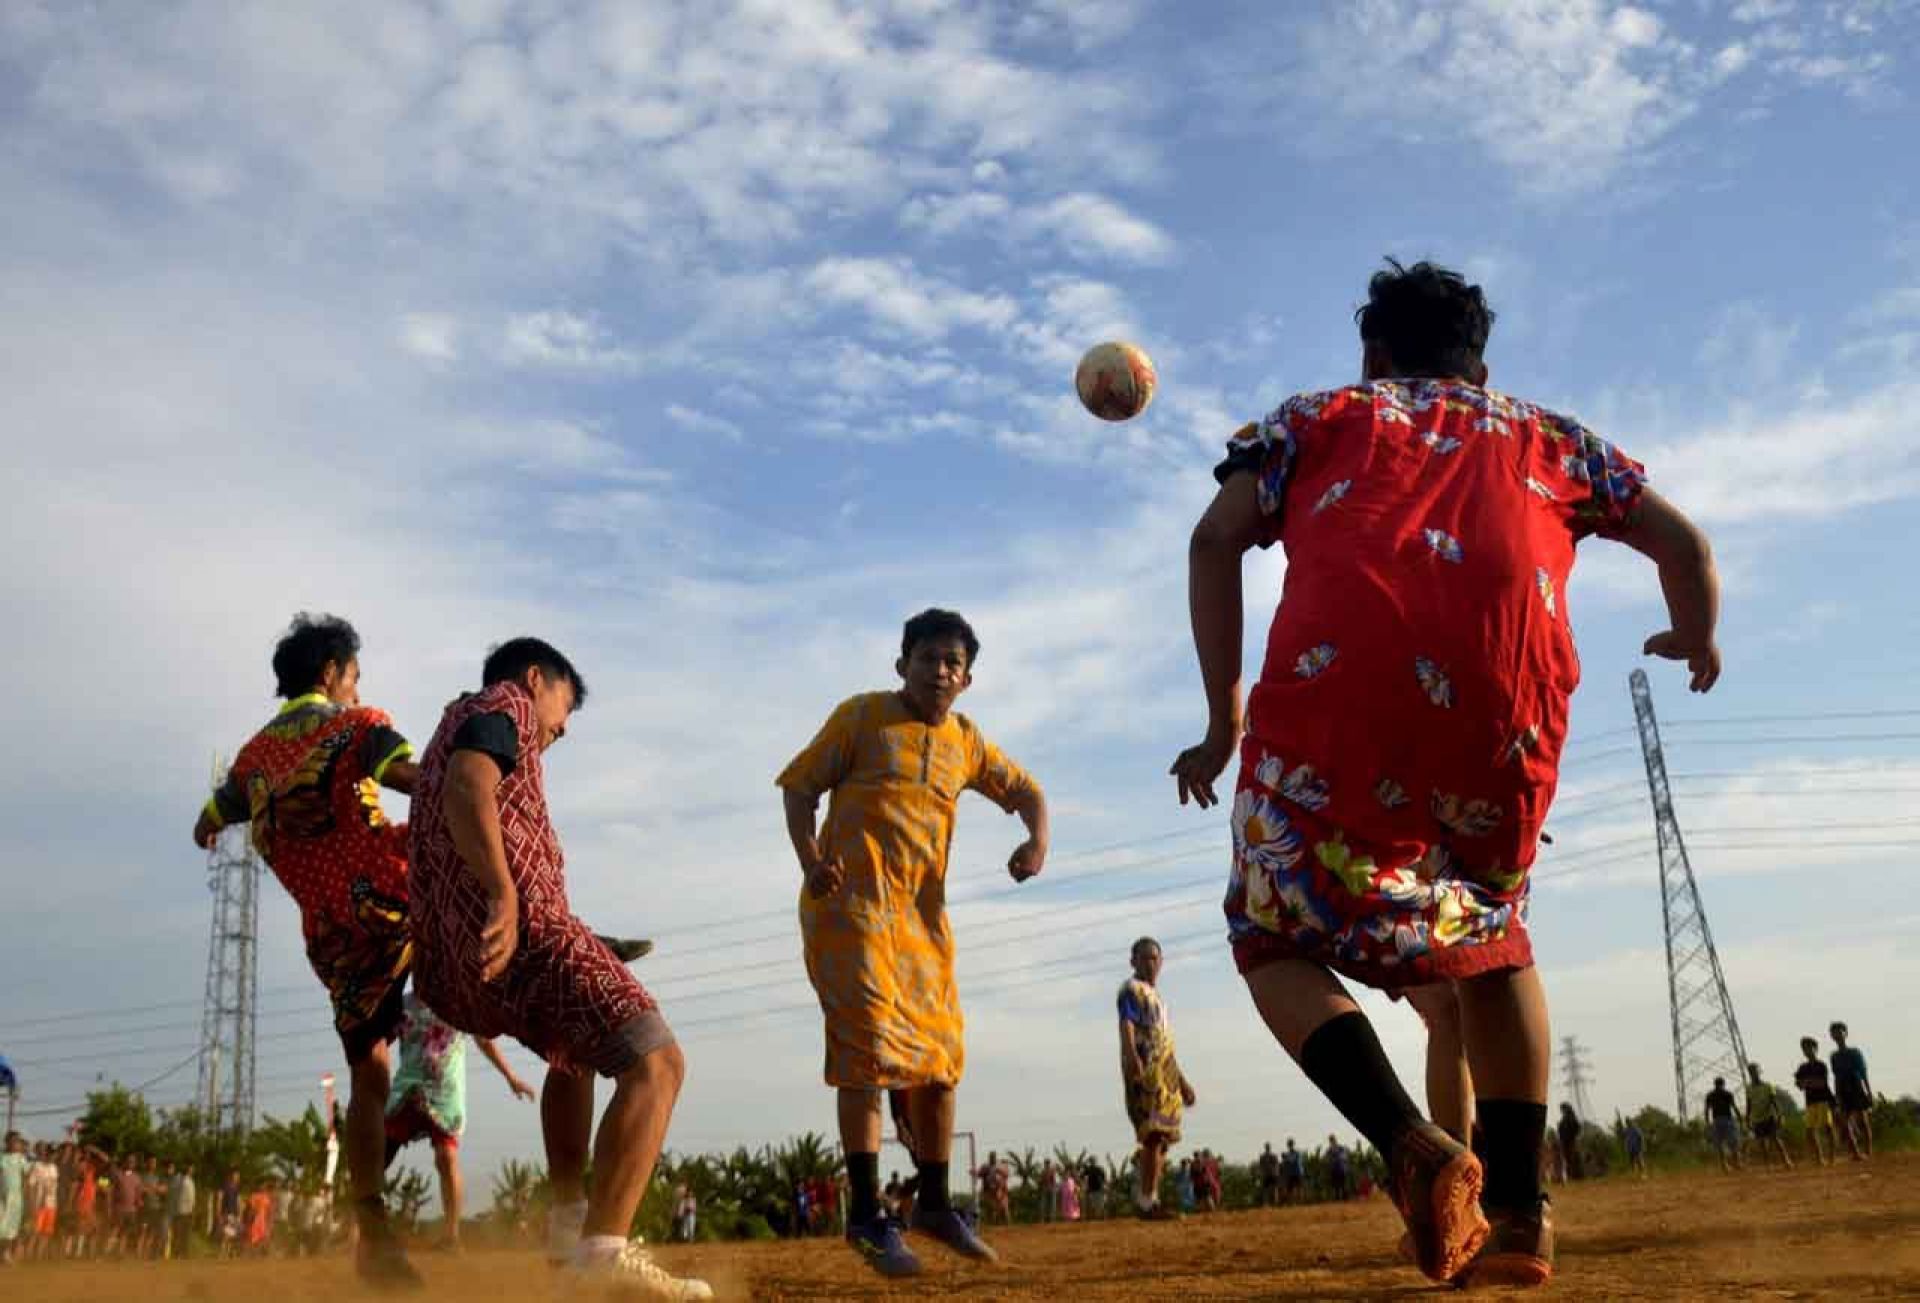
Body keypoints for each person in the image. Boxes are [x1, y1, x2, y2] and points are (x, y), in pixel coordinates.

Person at [1169, 259, 1721, 1288]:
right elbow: (1683, 543)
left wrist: (1223, 714)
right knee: (1495, 933)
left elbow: (1215, 537)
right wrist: (1695, 633)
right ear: (1482, 366)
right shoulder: (1552, 437)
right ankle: (1521, 1218)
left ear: (1374, 356)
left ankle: (1408, 1140)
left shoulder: (1318, 415)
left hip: (1340, 694)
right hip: (1506, 706)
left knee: (1269, 928)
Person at [409, 638, 710, 1300]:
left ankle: (567, 1223)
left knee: (572, 1051)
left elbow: (451, 798)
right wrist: (505, 892)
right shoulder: (505, 702)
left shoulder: (444, 729)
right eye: (565, 704)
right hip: (520, 935)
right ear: (538, 679)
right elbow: (468, 786)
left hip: (453, 970)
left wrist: (583, 939)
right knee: (657, 1062)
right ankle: (604, 1252)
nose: (564, 725)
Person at [778, 608, 1049, 1277]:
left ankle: (932, 1201)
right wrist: (812, 858)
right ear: (903, 663)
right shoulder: (863, 716)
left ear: (968, 678)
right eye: (927, 657)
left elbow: (1026, 792)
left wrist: (1037, 841)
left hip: (921, 927)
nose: (939, 670)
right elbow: (799, 786)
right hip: (851, 912)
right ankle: (867, 1215)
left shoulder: (964, 740)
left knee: (942, 1057)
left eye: (953, 662)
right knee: (867, 1054)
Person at [190, 614, 422, 1286]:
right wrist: (469, 771)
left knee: (368, 1080)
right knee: (467, 845)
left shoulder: (253, 755)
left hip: (333, 941)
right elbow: (409, 775)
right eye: (352, 674)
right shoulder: (355, 725)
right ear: (331, 674)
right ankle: (551, 941)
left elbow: (214, 812)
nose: (356, 687)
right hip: (395, 902)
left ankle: (373, 1231)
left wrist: (210, 825)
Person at [383, 988, 537, 1251]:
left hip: (444, 1093)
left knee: (446, 1157)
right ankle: (362, 1231)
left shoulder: (459, 1000)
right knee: (378, 1155)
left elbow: (484, 1040)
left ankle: (451, 1236)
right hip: (406, 1089)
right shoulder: (399, 1004)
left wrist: (511, 1077)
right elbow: (376, 1043)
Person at [1118, 937, 1196, 1221]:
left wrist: (1182, 1083)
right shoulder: (1131, 990)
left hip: (1166, 1075)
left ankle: (1148, 1196)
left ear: (1161, 963)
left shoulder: (1160, 1001)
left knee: (1162, 1140)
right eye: (1144, 957)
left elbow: (1166, 1046)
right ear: (1133, 961)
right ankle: (1147, 1201)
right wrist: (1131, 1057)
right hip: (1146, 1070)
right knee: (1152, 1134)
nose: (1150, 963)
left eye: (1155, 958)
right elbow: (1127, 1024)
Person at [1829, 1023, 1874, 1160]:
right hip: (1843, 1088)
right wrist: (1837, 1095)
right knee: (1844, 1122)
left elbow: (1863, 1072)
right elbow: (1836, 1076)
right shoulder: (1834, 1056)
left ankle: (1868, 1151)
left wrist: (1869, 1091)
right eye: (1835, 1033)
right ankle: (1856, 1153)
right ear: (1832, 1036)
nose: (1838, 1035)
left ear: (1846, 1034)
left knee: (1863, 1120)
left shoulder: (1855, 1052)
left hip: (1856, 1085)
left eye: (1840, 1032)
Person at [1794, 1038, 1840, 1165]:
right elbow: (1798, 1085)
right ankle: (1820, 1158)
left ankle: (1832, 1157)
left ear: (1816, 1049)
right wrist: (1807, 1083)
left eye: (1810, 1048)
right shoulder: (1802, 1067)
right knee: (1810, 1131)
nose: (1807, 1051)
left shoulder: (1821, 1065)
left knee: (1827, 1128)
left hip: (1824, 1100)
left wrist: (1806, 1082)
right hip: (1810, 1101)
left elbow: (1821, 1083)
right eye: (1804, 1048)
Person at [1745, 1063, 1793, 1170]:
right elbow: (1749, 1104)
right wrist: (1747, 1119)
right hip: (1757, 1118)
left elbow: (1774, 1101)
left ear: (1759, 1072)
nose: (1753, 1073)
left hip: (1769, 1116)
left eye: (1755, 1071)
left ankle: (1786, 1160)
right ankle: (1768, 1164)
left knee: (1775, 1139)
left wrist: (1780, 1115)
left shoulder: (1767, 1086)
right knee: (1762, 1143)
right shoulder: (1748, 1089)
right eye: (1751, 1072)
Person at [1704, 1078, 1742, 1173]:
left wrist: (1707, 1122)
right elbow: (1734, 1107)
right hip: (1725, 1120)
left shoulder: (1711, 1095)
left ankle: (1730, 1164)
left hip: (1719, 1120)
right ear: (1723, 1084)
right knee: (1730, 1143)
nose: (1719, 1087)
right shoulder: (1727, 1094)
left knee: (1724, 1143)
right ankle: (1731, 1164)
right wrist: (1740, 1118)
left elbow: (1707, 1110)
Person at [0, 1132, 26, 1265]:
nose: (16, 1144)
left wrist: (26, 1196)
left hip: (16, 1198)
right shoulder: (2, 1158)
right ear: (7, 1142)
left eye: (18, 1141)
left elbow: (24, 1178)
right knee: (1, 1226)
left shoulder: (21, 1159)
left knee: (11, 1228)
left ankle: (6, 1254)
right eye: (14, 1141)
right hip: (3, 1197)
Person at [167, 1161, 197, 1260]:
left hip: (188, 1211)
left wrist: (192, 1209)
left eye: (192, 1168)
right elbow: (172, 1193)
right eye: (189, 1167)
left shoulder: (191, 1181)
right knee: (177, 1234)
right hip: (179, 1211)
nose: (191, 1170)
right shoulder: (178, 1179)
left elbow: (192, 1198)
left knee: (186, 1234)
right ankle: (175, 1254)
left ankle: (184, 1254)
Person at [975, 1152, 1012, 1227]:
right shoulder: (985, 1167)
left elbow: (1006, 1175)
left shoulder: (999, 1167)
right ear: (989, 1158)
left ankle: (1007, 1226)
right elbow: (979, 1174)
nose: (993, 1158)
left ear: (995, 1158)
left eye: (994, 1157)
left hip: (999, 1191)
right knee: (991, 1209)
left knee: (1004, 1209)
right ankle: (993, 1225)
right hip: (989, 1191)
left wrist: (1000, 1172)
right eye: (991, 1157)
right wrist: (975, 1172)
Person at [1555, 1105, 1584, 1181]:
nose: (1562, 1112)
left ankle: (1574, 1176)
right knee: (1568, 1159)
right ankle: (1571, 1176)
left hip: (1570, 1141)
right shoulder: (1566, 1120)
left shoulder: (1570, 1119)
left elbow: (1576, 1128)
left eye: (1562, 1110)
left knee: (1571, 1159)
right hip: (1566, 1142)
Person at [1325, 1136, 1351, 1201]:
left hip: (1341, 1169)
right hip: (1334, 1169)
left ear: (1335, 1140)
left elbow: (1345, 1157)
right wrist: (1330, 1161)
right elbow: (1327, 1158)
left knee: (1343, 1184)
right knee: (1335, 1185)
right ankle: (1337, 1198)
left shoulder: (1340, 1148)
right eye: (1330, 1140)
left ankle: (1345, 1198)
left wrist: (1338, 1157)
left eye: (1332, 1140)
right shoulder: (1329, 1150)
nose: (1331, 1142)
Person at [1281, 1138, 1306, 1205]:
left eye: (1291, 1144)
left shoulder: (1297, 1153)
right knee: (1290, 1190)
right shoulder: (1288, 1154)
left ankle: (1300, 1202)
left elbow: (1295, 1161)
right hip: (1290, 1173)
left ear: (1293, 1144)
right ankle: (1292, 1203)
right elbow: (1285, 1164)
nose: (1290, 1146)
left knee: (1299, 1188)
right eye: (1289, 1144)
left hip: (1297, 1172)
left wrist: (1286, 1158)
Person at [1257, 1142, 1282, 1207]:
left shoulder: (1266, 1156)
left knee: (1271, 1189)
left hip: (1271, 1174)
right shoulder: (1265, 1156)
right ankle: (1268, 1203)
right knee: (1269, 1190)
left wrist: (1277, 1173)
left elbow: (1276, 1165)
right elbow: (1260, 1166)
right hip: (1269, 1175)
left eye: (1267, 1147)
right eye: (1267, 1147)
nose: (1267, 1148)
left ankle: (1271, 1203)